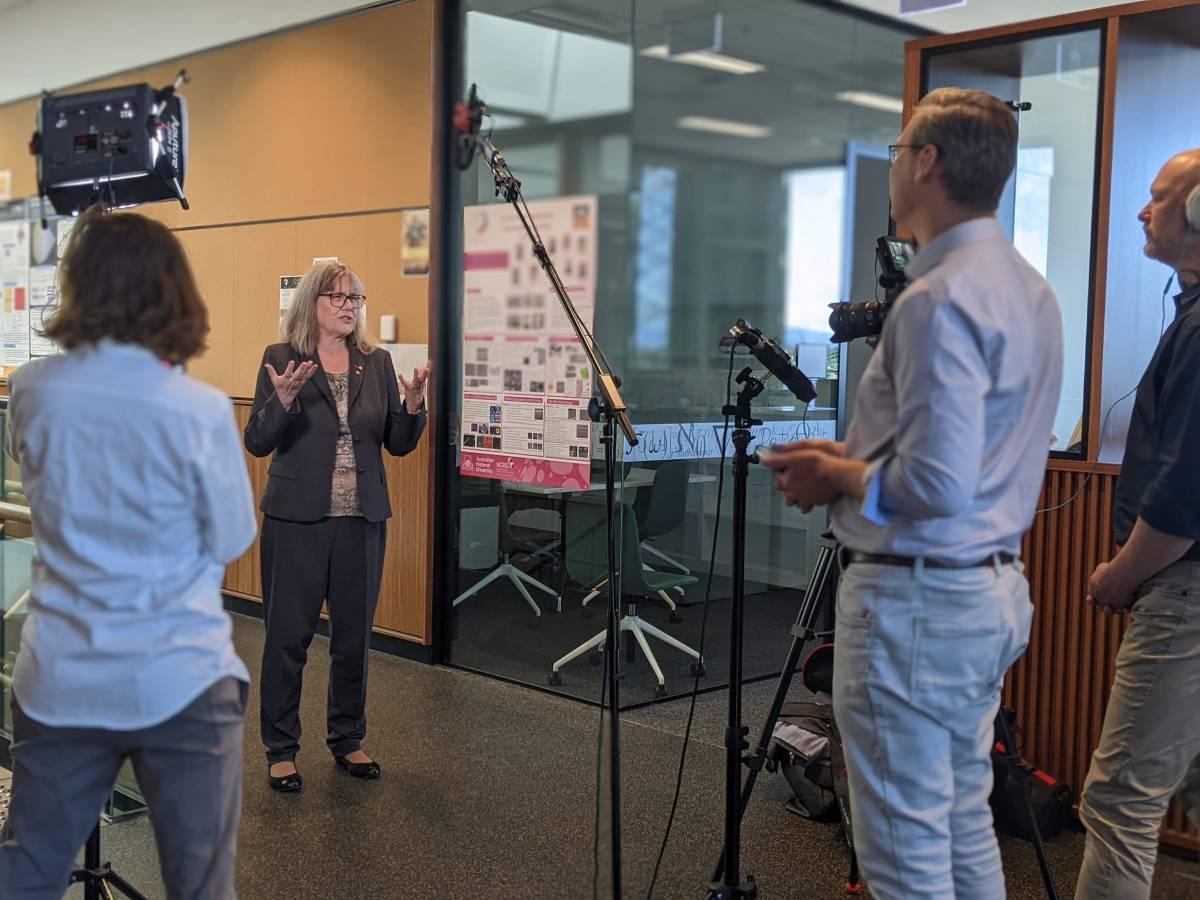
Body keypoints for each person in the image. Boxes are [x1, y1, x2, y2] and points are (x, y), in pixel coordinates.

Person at [761, 87, 1063, 899]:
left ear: (926, 163)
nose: (893, 164)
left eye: (898, 150)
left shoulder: (937, 297)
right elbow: (961, 452)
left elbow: (936, 480)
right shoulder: (1028, 289)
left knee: (904, 856)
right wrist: (857, 455)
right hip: (983, 596)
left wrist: (837, 475)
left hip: (915, 611)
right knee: (960, 827)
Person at [0, 206, 257, 899]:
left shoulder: (31, 390)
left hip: (61, 678)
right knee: (200, 884)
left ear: (79, 285)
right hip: (179, 676)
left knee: (26, 871)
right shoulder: (199, 409)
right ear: (169, 289)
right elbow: (234, 538)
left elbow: (34, 469)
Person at [245, 261, 429, 791]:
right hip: (297, 519)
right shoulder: (280, 359)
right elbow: (257, 441)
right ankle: (281, 748)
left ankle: (347, 738)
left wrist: (413, 407)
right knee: (287, 638)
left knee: (353, 638)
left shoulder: (376, 362)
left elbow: (396, 442)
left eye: (356, 298)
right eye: (339, 296)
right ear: (312, 303)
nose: (349, 306)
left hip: (361, 519)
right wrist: (280, 403)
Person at [1074, 149, 1200, 900]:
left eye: (1159, 198)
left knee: (1119, 803)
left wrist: (1120, 572)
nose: (1143, 212)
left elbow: (1183, 497)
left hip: (1180, 593)